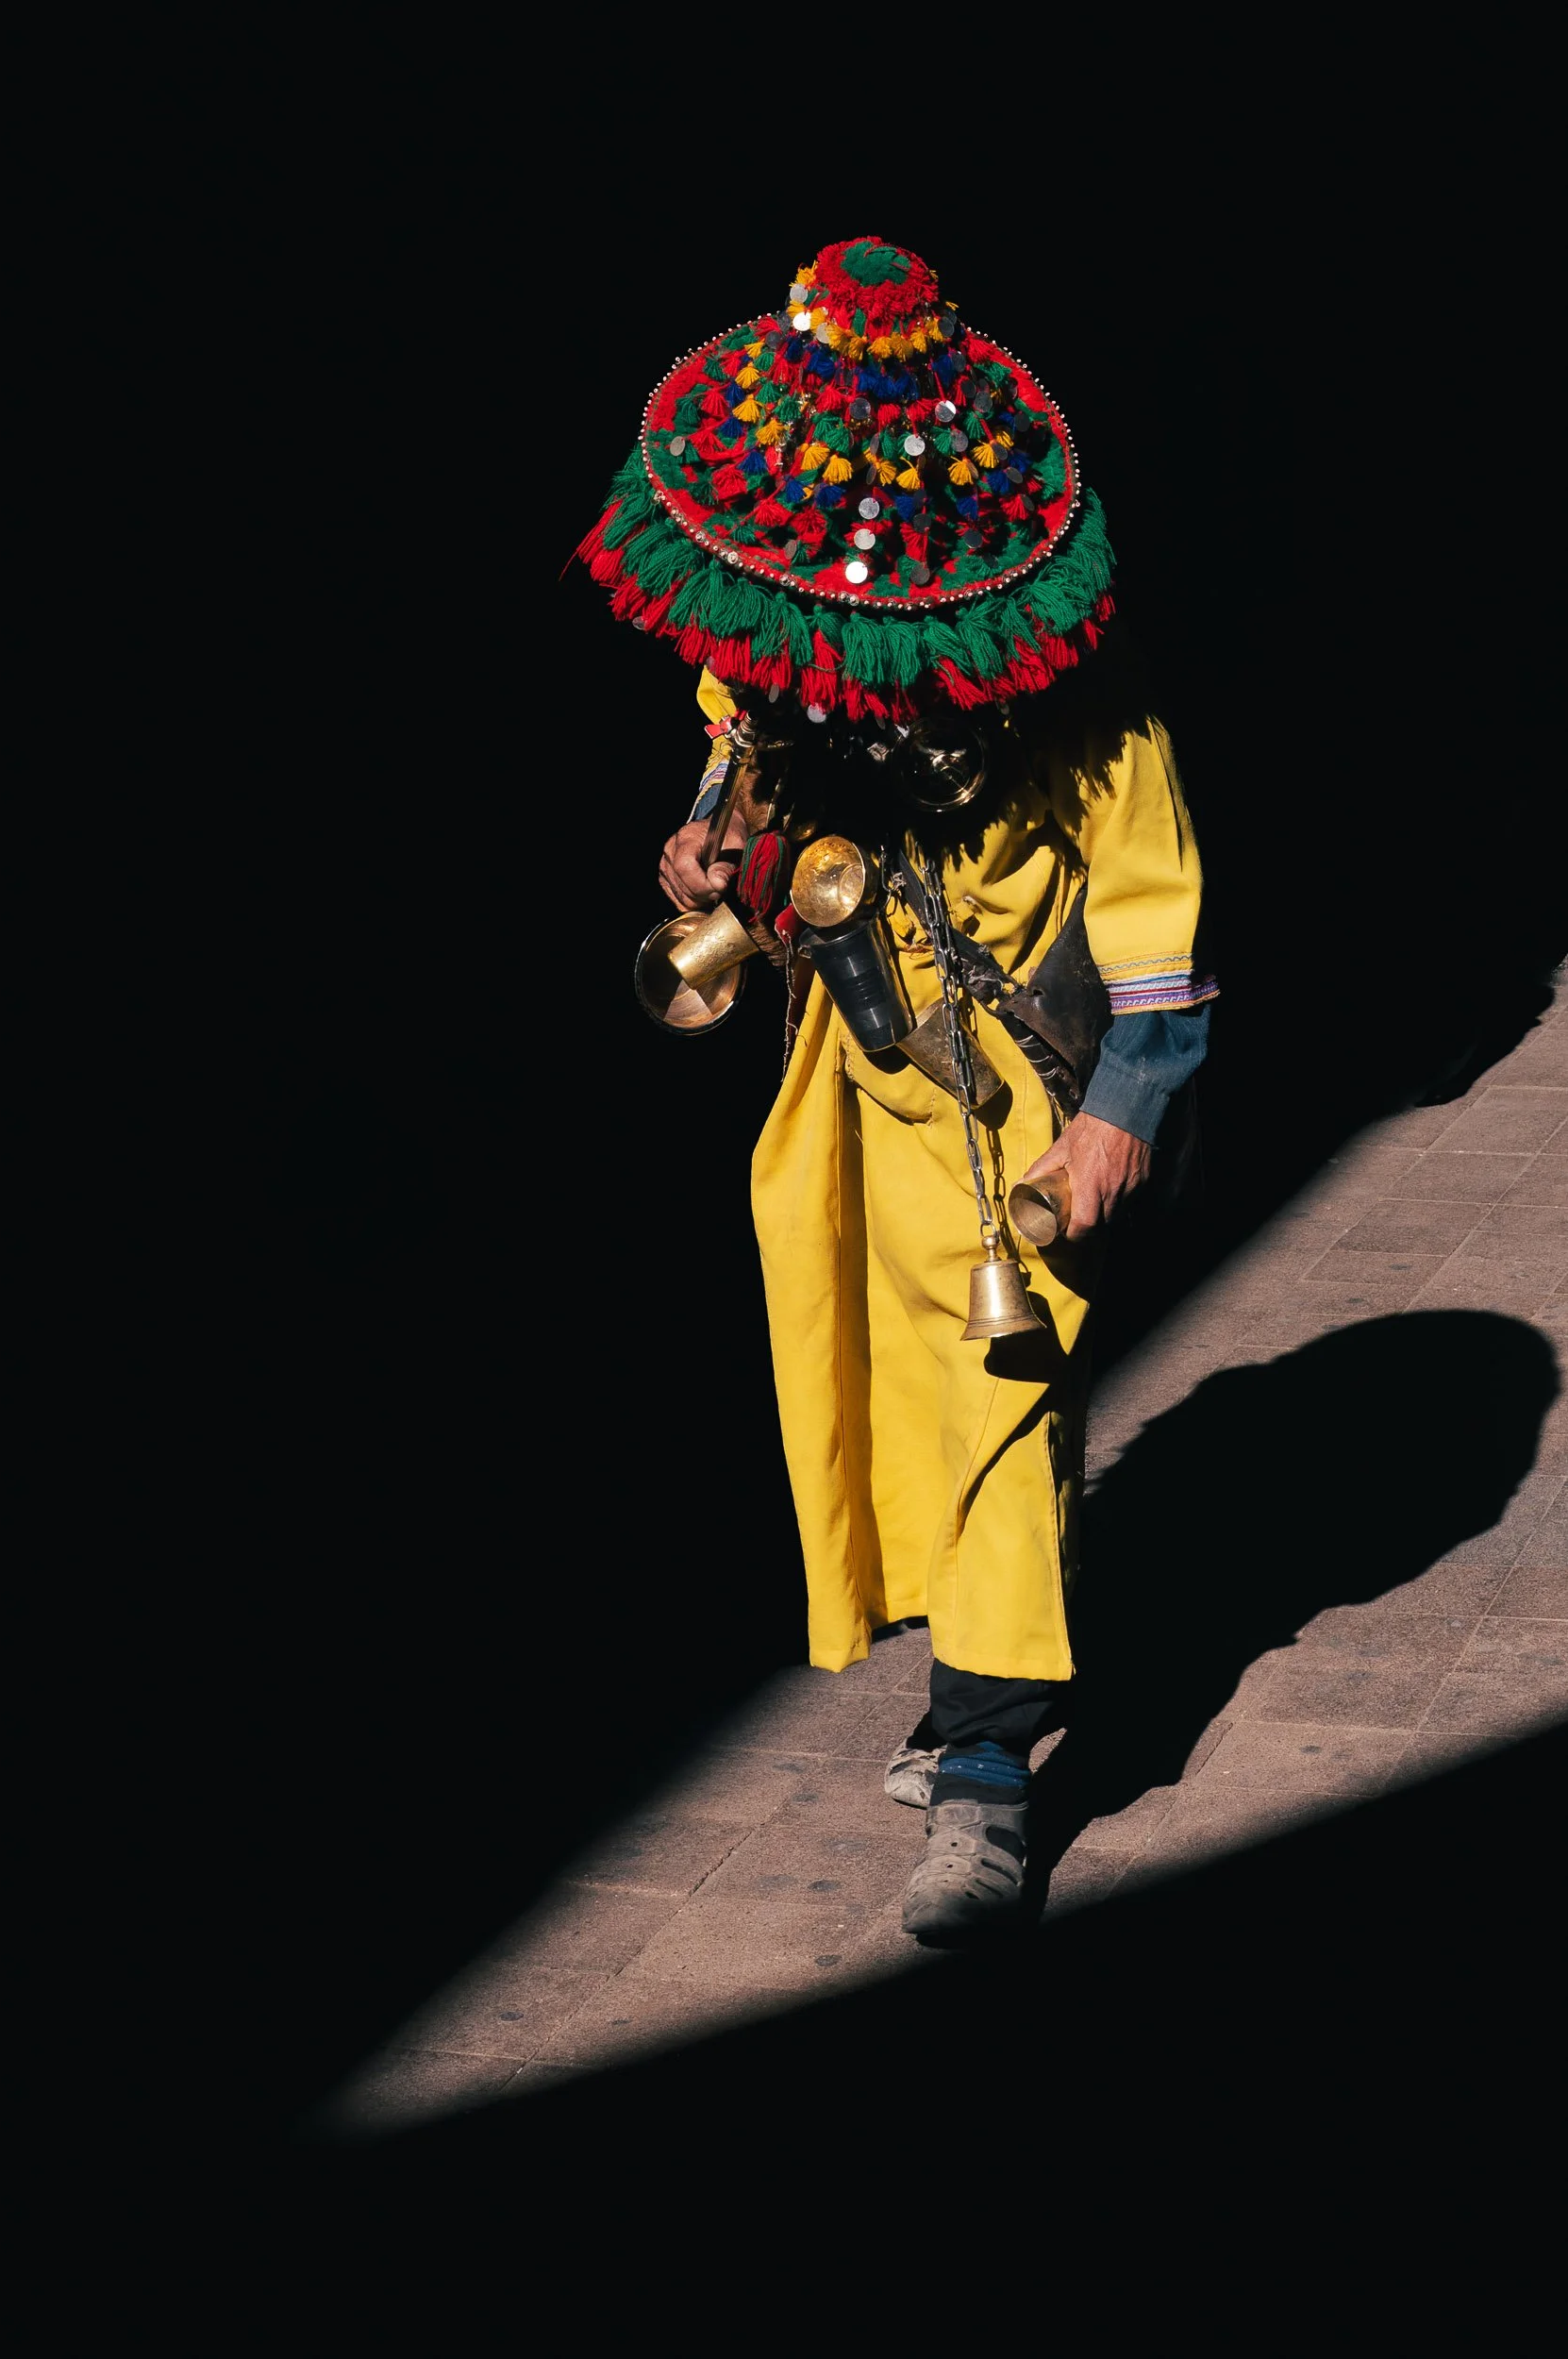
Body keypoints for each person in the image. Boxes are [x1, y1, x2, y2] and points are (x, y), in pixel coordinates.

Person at [580, 237, 1216, 1940]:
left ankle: (990, 1779)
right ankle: (967, 1682)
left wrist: (1121, 1115)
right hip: (853, 1080)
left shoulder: (1080, 687)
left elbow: (1158, 921)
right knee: (873, 1378)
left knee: (1003, 1389)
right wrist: (717, 851)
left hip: (1015, 1097)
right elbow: (746, 770)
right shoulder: (771, 644)